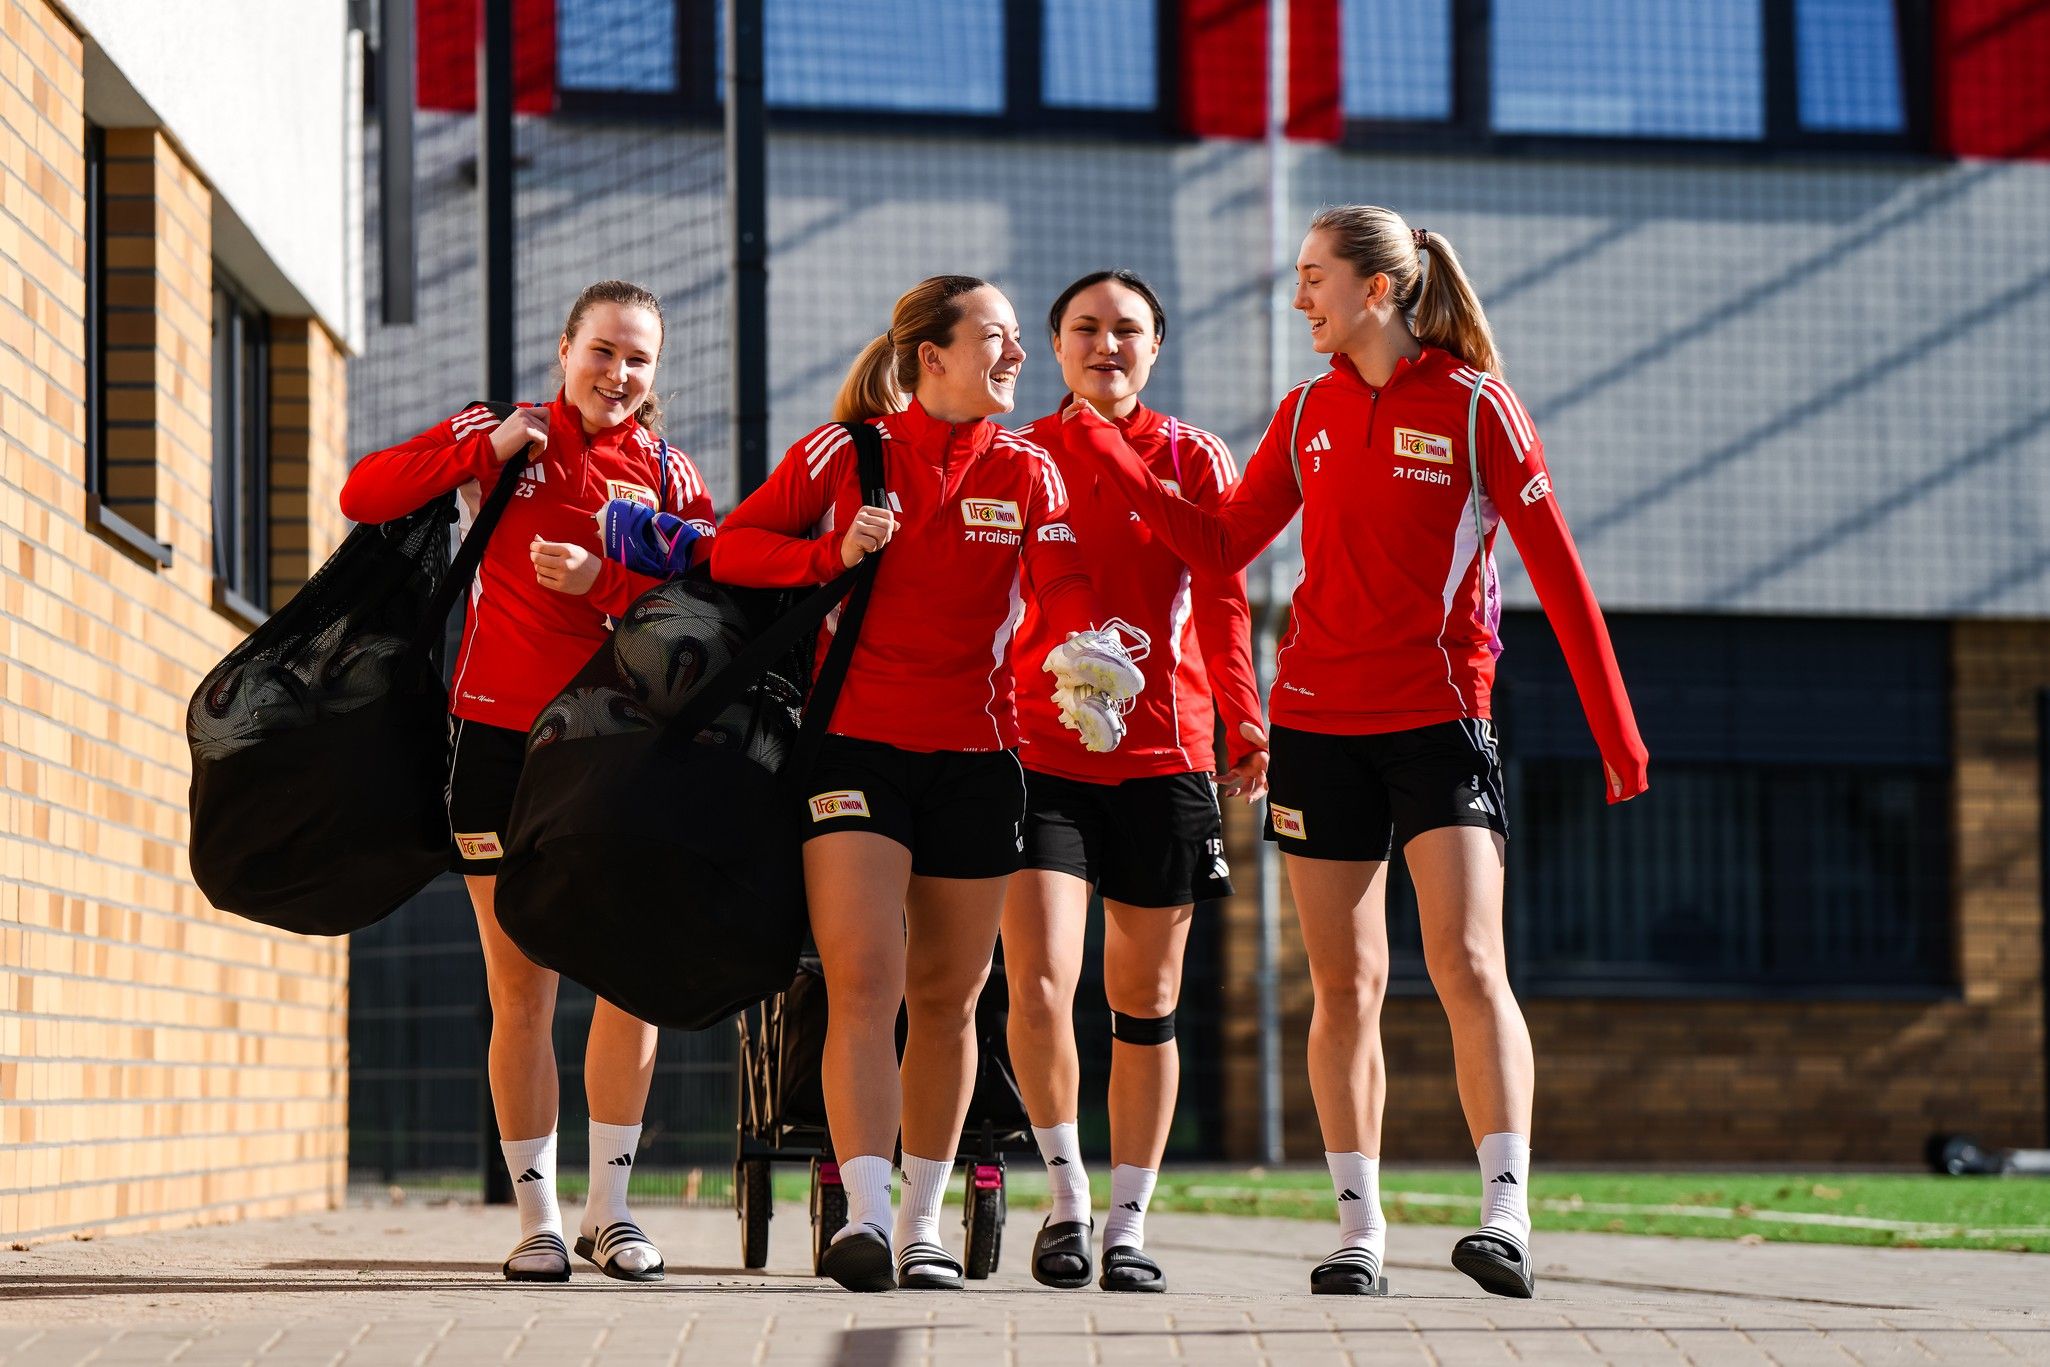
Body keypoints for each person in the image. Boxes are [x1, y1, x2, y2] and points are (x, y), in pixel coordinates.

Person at [1061, 208, 1649, 1300]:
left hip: (1439, 722)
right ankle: (1358, 1230)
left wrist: (1613, 723)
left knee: (1471, 963)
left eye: (1313, 278)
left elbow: (1557, 568)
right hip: (1319, 728)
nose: (1299, 300)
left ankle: (1507, 1218)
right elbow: (1221, 543)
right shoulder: (1305, 413)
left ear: (1377, 289)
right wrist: (1117, 459)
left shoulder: (1478, 407)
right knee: (1346, 984)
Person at [709, 275, 1143, 1293]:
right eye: (995, 337)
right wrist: (829, 550)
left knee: (950, 999)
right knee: (865, 978)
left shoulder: (1029, 469)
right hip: (853, 752)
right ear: (931, 356)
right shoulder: (844, 452)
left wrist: (1081, 651)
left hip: (977, 760)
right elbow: (734, 546)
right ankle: (861, 1213)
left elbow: (1068, 577)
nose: (1018, 354)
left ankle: (920, 1223)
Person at [339, 281, 714, 1284]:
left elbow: (707, 603)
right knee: (521, 987)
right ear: (564, 349)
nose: (620, 373)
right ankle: (538, 1219)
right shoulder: (507, 432)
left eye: (639, 358)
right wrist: (486, 451)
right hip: (495, 744)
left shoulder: (671, 472)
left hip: (617, 751)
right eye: (603, 351)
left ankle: (612, 1210)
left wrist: (606, 586)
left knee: (627, 981)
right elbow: (366, 493)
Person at [1002, 271, 1265, 1294]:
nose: (1106, 343)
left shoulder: (1194, 454)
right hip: (1038, 753)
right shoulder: (1022, 456)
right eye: (1085, 328)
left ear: (1156, 347)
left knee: (1145, 999)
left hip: (1164, 755)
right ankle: (1066, 1202)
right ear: (1055, 348)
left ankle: (1127, 1223)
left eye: (1126, 330)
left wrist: (1244, 717)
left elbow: (1228, 598)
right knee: (1038, 982)